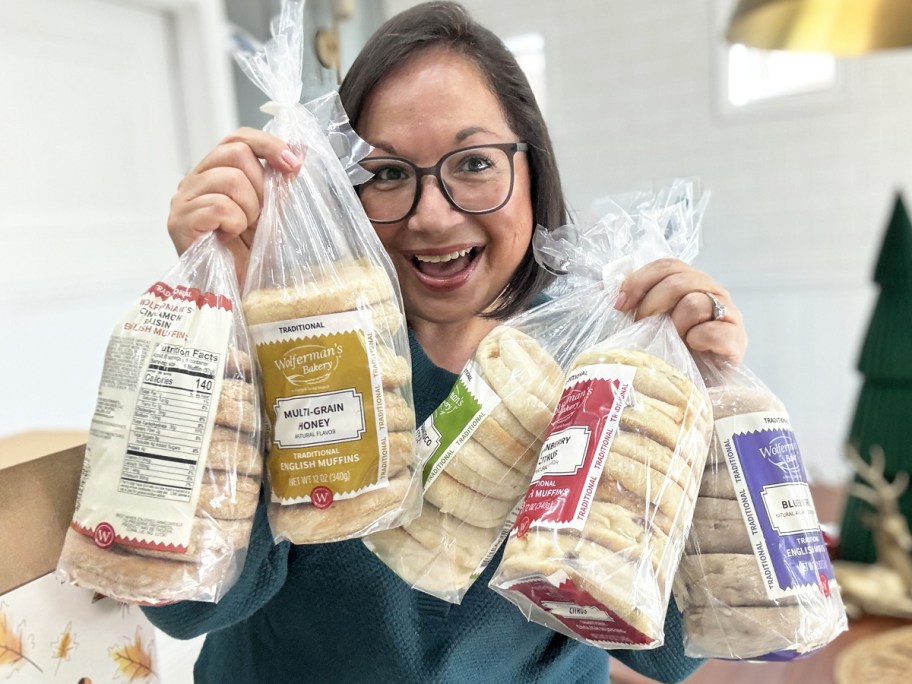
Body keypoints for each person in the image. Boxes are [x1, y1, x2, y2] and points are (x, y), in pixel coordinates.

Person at [146, 2, 748, 682]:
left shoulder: (603, 365)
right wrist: (216, 318)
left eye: (475, 163)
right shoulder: (303, 347)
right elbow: (186, 608)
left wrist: (709, 406)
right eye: (386, 173)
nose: (433, 216)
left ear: (532, 167)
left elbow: (668, 652)